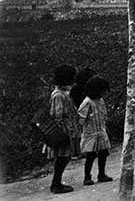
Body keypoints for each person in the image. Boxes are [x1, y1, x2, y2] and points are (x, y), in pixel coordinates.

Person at [47, 64, 80, 194]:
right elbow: (57, 116)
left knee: (64, 157)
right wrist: (63, 134)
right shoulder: (58, 96)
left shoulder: (63, 94)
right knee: (62, 158)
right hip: (63, 131)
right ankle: (56, 184)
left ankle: (57, 182)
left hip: (67, 129)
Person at [78, 75, 112, 186]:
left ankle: (101, 174)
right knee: (91, 156)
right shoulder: (87, 102)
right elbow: (81, 118)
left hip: (101, 131)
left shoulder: (100, 101)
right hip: (90, 133)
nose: (103, 94)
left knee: (103, 153)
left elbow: (104, 114)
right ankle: (87, 177)